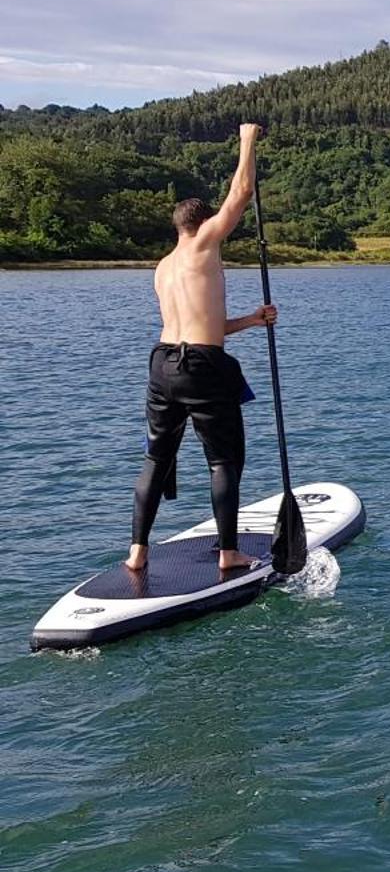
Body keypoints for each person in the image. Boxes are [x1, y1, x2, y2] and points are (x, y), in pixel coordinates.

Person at [128, 123, 276, 573]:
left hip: (163, 365)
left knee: (157, 456)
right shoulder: (203, 245)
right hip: (202, 367)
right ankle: (229, 553)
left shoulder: (163, 267)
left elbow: (199, 325)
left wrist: (251, 320)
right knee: (224, 459)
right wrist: (247, 140)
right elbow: (242, 193)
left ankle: (137, 553)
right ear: (201, 224)